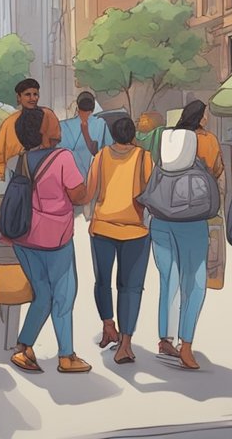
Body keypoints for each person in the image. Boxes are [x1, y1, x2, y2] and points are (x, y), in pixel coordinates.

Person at [5, 108, 92, 374]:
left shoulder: (16, 160)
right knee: (64, 297)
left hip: (24, 237)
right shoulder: (63, 157)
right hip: (56, 238)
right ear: (44, 131)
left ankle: (23, 348)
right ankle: (66, 356)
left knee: (42, 293)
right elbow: (79, 196)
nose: (59, 124)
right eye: (53, 121)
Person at [151, 100, 224, 369]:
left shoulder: (166, 137)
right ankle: (187, 345)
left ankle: (164, 339)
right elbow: (215, 171)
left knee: (167, 279)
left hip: (160, 217)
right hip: (192, 219)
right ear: (202, 117)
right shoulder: (207, 140)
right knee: (194, 282)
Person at [83, 116, 152, 364]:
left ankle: (108, 325)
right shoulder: (144, 157)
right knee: (130, 287)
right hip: (135, 231)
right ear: (133, 135)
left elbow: (88, 192)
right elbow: (150, 193)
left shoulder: (100, 156)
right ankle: (125, 344)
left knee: (102, 281)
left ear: (112, 135)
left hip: (102, 228)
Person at [0, 79, 63, 178]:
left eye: (35, 94)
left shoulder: (48, 114)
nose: (32, 98)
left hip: (45, 165)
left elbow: (54, 139)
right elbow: (0, 153)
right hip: (18, 168)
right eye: (27, 94)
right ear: (19, 97)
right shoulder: (9, 122)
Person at [60, 91, 112, 179]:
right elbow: (109, 147)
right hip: (93, 175)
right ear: (93, 107)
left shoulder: (63, 125)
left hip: (70, 175)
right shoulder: (101, 123)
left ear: (77, 105)